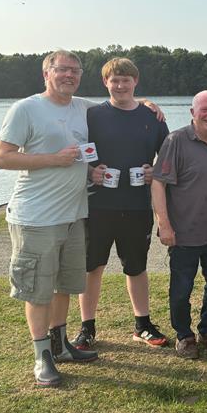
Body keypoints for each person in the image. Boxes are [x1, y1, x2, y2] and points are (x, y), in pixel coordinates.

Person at [0, 50, 100, 387]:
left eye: (75, 70)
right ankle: (42, 357)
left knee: (64, 285)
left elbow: (119, 103)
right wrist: (53, 159)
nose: (69, 75)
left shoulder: (83, 107)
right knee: (38, 290)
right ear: (46, 73)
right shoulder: (26, 108)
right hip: (36, 217)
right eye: (62, 69)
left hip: (73, 214)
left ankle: (61, 345)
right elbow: (2, 158)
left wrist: (147, 103)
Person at [73, 58, 170, 351]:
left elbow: (166, 159)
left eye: (126, 80)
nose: (120, 85)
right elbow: (79, 152)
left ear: (135, 82)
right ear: (105, 83)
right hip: (98, 204)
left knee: (136, 267)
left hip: (138, 204)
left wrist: (157, 171)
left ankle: (142, 324)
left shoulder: (152, 117)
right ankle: (87, 327)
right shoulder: (92, 115)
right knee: (93, 267)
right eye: (114, 80)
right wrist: (91, 171)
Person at [151, 91, 207, 359]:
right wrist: (164, 224)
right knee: (182, 287)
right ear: (192, 112)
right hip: (184, 232)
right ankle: (184, 336)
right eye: (204, 110)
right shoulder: (176, 140)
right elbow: (158, 183)